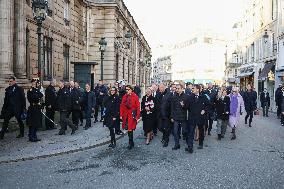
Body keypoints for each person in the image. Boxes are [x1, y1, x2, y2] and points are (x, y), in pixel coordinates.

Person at [185, 84, 208, 153]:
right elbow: (186, 107)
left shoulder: (203, 96)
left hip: (200, 117)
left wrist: (204, 110)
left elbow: (208, 105)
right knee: (191, 132)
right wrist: (184, 105)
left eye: (193, 88)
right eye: (192, 88)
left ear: (198, 89)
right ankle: (190, 147)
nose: (192, 89)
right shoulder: (189, 97)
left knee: (201, 131)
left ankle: (201, 143)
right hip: (192, 117)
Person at [120, 85, 140, 150]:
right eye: (126, 89)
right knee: (128, 128)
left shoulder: (135, 96)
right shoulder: (124, 96)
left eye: (128, 89)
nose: (127, 90)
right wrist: (121, 115)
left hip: (132, 115)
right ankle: (131, 142)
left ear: (131, 89)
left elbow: (137, 107)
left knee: (130, 129)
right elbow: (122, 106)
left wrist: (137, 116)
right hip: (125, 115)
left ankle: (130, 143)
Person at [170, 84, 187, 150]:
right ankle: (177, 144)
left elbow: (188, 107)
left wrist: (184, 105)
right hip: (176, 117)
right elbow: (172, 108)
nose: (177, 90)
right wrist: (171, 117)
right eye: (176, 88)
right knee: (175, 131)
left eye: (178, 88)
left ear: (182, 89)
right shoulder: (174, 96)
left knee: (184, 131)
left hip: (183, 117)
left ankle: (186, 139)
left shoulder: (186, 97)